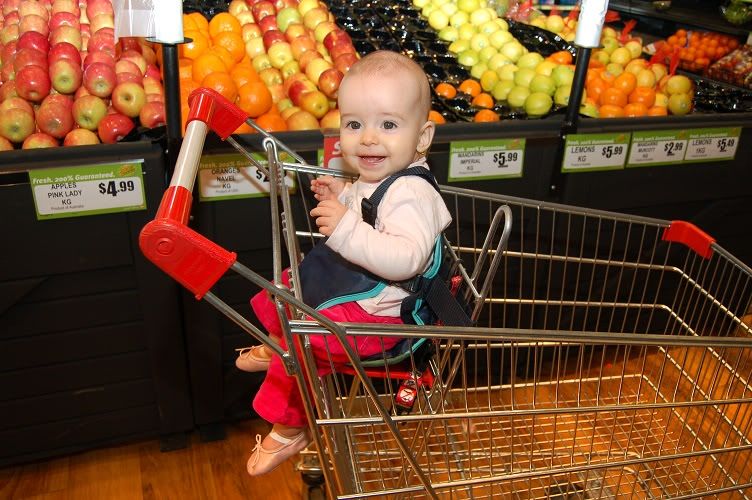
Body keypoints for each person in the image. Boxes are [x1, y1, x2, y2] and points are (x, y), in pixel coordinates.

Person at [236, 50, 452, 476]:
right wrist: (340, 198)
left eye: (388, 124)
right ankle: (277, 345)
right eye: (355, 124)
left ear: (423, 137)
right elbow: (367, 217)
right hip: (362, 298)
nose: (368, 138)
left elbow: (406, 259)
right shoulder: (376, 178)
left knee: (304, 336)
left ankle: (290, 426)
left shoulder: (413, 194)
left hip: (385, 321)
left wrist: (344, 228)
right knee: (283, 288)